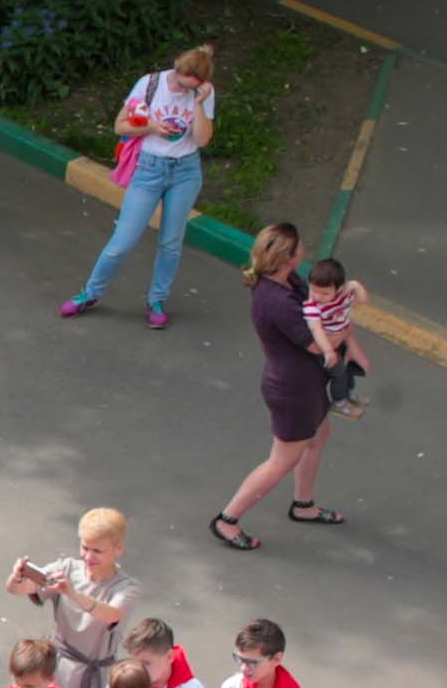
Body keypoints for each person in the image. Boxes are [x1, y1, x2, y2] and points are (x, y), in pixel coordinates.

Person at [62, 41, 218, 324]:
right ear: (176, 69)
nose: (181, 91)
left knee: (171, 243)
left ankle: (156, 301)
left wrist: (198, 105)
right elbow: (120, 126)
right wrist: (153, 127)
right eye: (180, 84)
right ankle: (90, 293)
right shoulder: (150, 84)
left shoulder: (203, 93)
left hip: (185, 171)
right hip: (149, 168)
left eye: (189, 89)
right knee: (123, 240)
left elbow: (203, 139)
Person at [213, 222, 345, 548]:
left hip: (307, 385)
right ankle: (227, 520)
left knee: (318, 436)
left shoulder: (288, 280)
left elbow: (316, 308)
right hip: (293, 391)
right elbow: (317, 344)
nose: (304, 250)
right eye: (300, 247)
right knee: (281, 461)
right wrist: (348, 327)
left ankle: (304, 505)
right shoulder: (276, 301)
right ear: (290, 256)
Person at [5, 512, 132, 688]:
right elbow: (21, 589)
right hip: (59, 665)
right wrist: (17, 577)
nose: (88, 557)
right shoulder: (67, 568)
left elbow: (112, 615)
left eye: (97, 551)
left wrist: (71, 593)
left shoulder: (126, 587)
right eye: (85, 548)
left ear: (118, 549)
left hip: (95, 673)